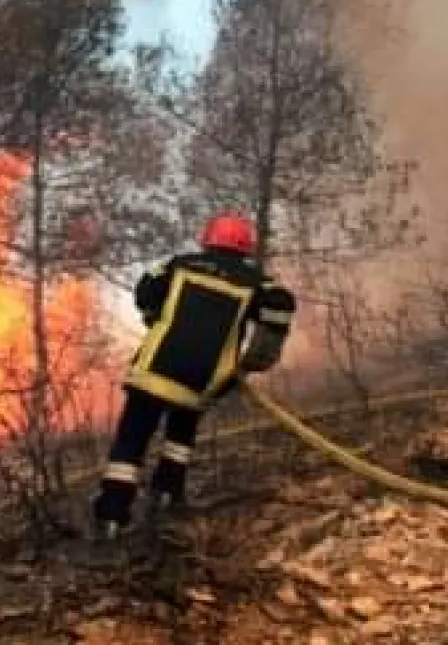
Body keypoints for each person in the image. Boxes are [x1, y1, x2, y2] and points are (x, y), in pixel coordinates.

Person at [87, 213, 296, 558]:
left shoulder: (178, 265)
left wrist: (156, 318)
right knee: (180, 439)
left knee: (131, 442)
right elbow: (281, 307)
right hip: (201, 380)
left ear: (208, 240)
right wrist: (253, 362)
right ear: (245, 247)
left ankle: (111, 516)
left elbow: (145, 290)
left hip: (153, 370)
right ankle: (167, 498)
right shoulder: (257, 283)